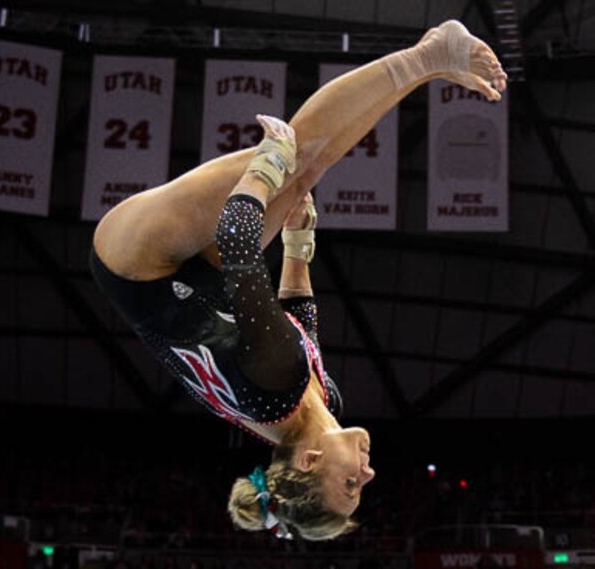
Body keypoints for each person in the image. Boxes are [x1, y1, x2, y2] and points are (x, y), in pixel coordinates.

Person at [91, 23, 506, 541]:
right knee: (306, 172)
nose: (368, 475)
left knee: (299, 156)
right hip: (195, 280)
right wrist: (297, 248)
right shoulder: (313, 402)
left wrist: (265, 167)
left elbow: (240, 244)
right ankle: (429, 65)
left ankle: (431, 54)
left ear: (309, 461)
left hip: (136, 260)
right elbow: (298, 322)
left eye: (350, 486)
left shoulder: (275, 387)